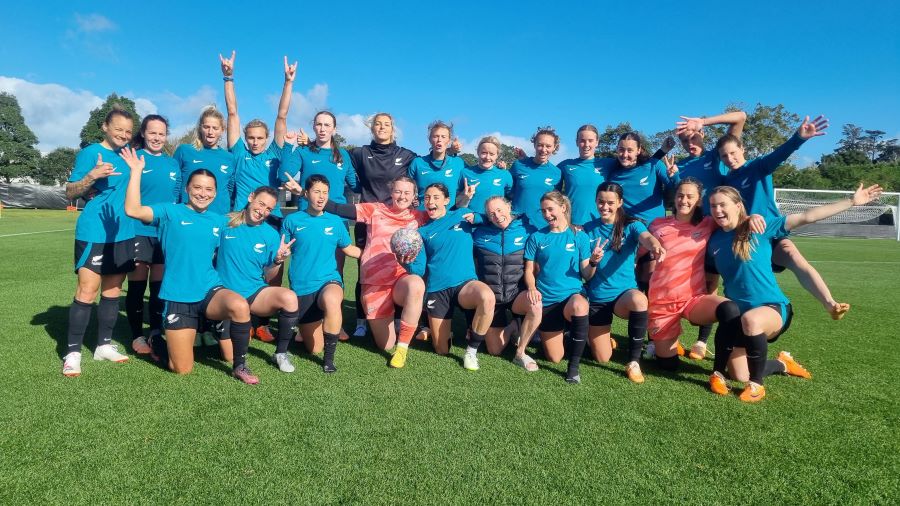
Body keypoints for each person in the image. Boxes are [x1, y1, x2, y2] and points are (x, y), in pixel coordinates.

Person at [707, 183, 882, 402]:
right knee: (739, 373)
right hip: (739, 316)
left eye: (723, 205)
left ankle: (757, 386)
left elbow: (808, 216)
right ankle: (782, 363)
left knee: (752, 321)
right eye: (713, 206)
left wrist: (852, 202)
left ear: (738, 205)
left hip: (772, 308)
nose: (717, 210)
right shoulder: (713, 240)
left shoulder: (761, 227)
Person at [121, 148, 258, 384]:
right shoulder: (170, 211)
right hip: (178, 296)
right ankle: (157, 341)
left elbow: (249, 226)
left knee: (239, 306)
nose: (202, 193)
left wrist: (277, 255)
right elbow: (133, 210)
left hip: (208, 290)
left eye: (208, 189)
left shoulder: (219, 220)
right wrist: (135, 172)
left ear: (215, 193)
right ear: (187, 189)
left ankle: (240, 366)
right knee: (181, 368)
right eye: (197, 187)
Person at [714, 115, 850, 320]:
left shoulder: (758, 166)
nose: (730, 158)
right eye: (724, 156)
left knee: (796, 259)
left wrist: (799, 138)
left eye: (733, 152)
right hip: (747, 238)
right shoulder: (726, 182)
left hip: (771, 232)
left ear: (743, 149)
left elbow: (780, 154)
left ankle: (830, 304)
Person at [647, 178, 764, 369]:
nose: (684, 200)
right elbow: (640, 252)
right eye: (680, 195)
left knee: (729, 309)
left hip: (693, 299)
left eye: (690, 196)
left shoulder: (708, 223)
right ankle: (668, 346)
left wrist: (751, 217)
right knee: (668, 366)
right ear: (674, 198)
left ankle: (719, 370)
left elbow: (733, 221)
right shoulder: (657, 225)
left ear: (699, 201)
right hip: (663, 302)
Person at [221, 51, 295, 342]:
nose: (253, 141)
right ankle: (231, 317)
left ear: (266, 139)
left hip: (271, 221)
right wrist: (228, 77)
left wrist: (288, 82)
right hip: (239, 220)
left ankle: (261, 321)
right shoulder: (238, 152)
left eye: (258, 138)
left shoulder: (275, 153)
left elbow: (282, 115)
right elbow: (232, 113)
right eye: (249, 137)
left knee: (274, 267)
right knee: (233, 267)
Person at [322, 177, 427, 367]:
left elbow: (445, 214)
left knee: (416, 284)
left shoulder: (418, 216)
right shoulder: (375, 209)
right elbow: (338, 209)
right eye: (398, 191)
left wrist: (464, 202)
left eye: (407, 193)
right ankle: (388, 330)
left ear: (413, 196)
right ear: (391, 192)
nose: (402, 196)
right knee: (385, 345)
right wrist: (303, 193)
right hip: (374, 282)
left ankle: (402, 349)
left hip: (400, 280)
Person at [62, 108, 136, 376]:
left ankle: (103, 345)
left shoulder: (130, 155)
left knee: (113, 291)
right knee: (87, 290)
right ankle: (72, 352)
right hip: (94, 232)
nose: (123, 135)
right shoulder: (92, 152)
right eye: (119, 129)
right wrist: (92, 176)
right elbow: (70, 191)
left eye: (128, 131)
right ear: (105, 126)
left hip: (124, 231)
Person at [582, 182, 666, 383]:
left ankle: (634, 362)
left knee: (639, 300)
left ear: (619, 202)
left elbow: (646, 237)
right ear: (595, 201)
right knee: (602, 358)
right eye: (601, 202)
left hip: (624, 296)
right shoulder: (587, 230)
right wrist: (594, 260)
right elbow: (587, 275)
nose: (605, 207)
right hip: (597, 297)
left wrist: (655, 246)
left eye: (610, 202)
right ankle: (593, 335)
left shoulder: (631, 225)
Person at [216, 186, 304, 373]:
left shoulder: (270, 235)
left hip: (254, 292)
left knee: (289, 297)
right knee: (229, 356)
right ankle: (209, 326)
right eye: (261, 204)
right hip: (224, 295)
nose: (263, 211)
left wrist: (278, 261)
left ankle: (280, 353)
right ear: (251, 198)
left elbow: (270, 276)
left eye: (269, 209)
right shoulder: (225, 223)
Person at [281, 175, 362, 373]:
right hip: (302, 287)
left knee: (333, 299)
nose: (321, 197)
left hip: (328, 280)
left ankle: (329, 359)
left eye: (325, 193)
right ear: (306, 193)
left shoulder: (335, 222)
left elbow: (350, 249)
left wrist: (378, 254)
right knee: (313, 348)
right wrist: (281, 254)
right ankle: (305, 330)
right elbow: (283, 249)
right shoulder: (292, 220)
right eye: (317, 192)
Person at [411, 183, 495, 370]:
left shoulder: (461, 215)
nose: (430, 202)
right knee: (441, 350)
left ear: (447, 201)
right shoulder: (422, 232)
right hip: (437, 289)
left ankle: (471, 351)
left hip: (464, 284)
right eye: (427, 198)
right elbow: (419, 268)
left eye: (436, 197)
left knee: (487, 297)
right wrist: (405, 261)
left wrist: (478, 217)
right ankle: (442, 334)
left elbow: (492, 219)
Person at [523, 191, 592, 383]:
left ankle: (573, 368)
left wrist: (593, 263)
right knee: (554, 358)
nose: (546, 214)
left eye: (550, 209)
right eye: (543, 210)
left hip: (571, 297)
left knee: (580, 305)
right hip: (547, 300)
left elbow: (586, 274)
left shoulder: (580, 236)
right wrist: (531, 288)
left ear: (563, 208)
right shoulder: (537, 237)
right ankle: (572, 334)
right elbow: (528, 270)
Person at [125, 114, 178, 355]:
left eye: (161, 133)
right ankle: (137, 336)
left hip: (164, 233)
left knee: (158, 287)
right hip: (137, 230)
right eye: (152, 132)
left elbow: (176, 200)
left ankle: (156, 332)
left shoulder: (173, 164)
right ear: (144, 133)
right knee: (137, 285)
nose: (157, 137)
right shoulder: (134, 158)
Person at [472, 196, 542, 371]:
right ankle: (514, 326)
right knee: (495, 350)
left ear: (509, 206)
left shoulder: (527, 230)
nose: (497, 215)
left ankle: (520, 352)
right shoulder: (479, 233)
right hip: (492, 298)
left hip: (516, 294)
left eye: (500, 210)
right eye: (491, 213)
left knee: (535, 305)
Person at [172, 106, 234, 215]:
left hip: (218, 217)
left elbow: (230, 189)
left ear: (222, 130)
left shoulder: (229, 158)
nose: (210, 132)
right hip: (186, 215)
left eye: (215, 128)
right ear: (200, 128)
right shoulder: (184, 150)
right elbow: (175, 183)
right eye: (206, 127)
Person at [557, 125, 611, 225]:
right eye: (582, 140)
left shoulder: (608, 164)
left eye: (590, 140)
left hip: (599, 225)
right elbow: (545, 171)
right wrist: (527, 161)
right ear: (577, 142)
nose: (586, 144)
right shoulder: (566, 165)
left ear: (597, 142)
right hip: (572, 225)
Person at [510, 127, 562, 230]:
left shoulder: (557, 173)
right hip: (517, 225)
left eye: (548, 146)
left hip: (543, 227)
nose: (543, 150)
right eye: (540, 145)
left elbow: (556, 202)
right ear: (534, 144)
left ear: (554, 147)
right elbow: (507, 193)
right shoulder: (518, 165)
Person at [408, 121, 464, 210]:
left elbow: (475, 174)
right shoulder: (418, 163)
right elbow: (407, 189)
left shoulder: (458, 163)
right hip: (422, 217)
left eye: (443, 137)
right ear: (429, 139)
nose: (439, 140)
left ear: (449, 140)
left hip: (448, 219)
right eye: (436, 136)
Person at [456, 136, 513, 215]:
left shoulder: (505, 174)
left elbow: (511, 198)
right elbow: (456, 202)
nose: (487, 157)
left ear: (497, 156)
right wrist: (464, 197)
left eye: (492, 154)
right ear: (478, 152)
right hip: (470, 223)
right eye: (484, 153)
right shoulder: (465, 173)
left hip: (494, 224)